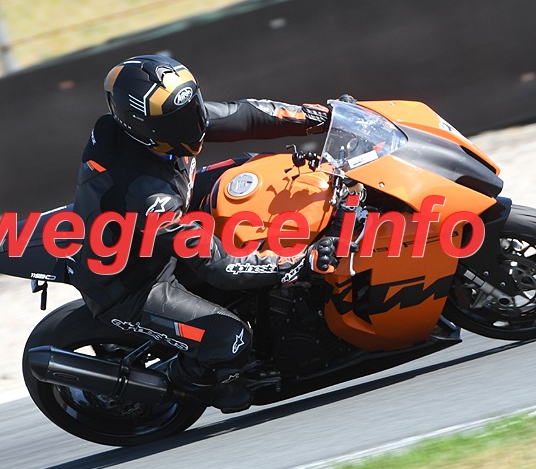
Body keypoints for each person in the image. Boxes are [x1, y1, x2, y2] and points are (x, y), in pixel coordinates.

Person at [69, 54, 339, 413]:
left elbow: (244, 115)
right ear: (143, 125)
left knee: (253, 170)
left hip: (162, 227)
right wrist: (298, 261)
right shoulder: (147, 194)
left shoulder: (162, 128)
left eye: (192, 108)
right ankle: (185, 385)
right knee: (231, 340)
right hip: (134, 282)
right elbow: (219, 268)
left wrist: (319, 117)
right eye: (178, 120)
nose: (195, 124)